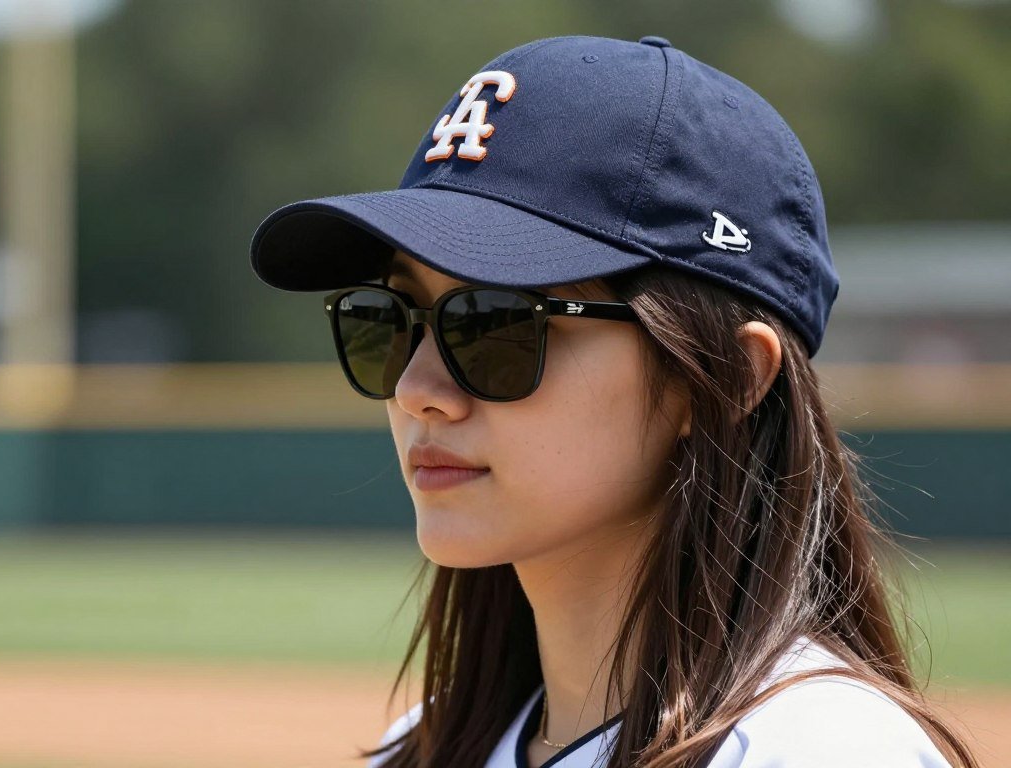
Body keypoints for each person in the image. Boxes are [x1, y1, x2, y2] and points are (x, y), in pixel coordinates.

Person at [249, 34, 977, 768]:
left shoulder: (819, 751)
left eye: (496, 323)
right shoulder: (422, 748)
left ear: (729, 379)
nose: (416, 390)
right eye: (390, 318)